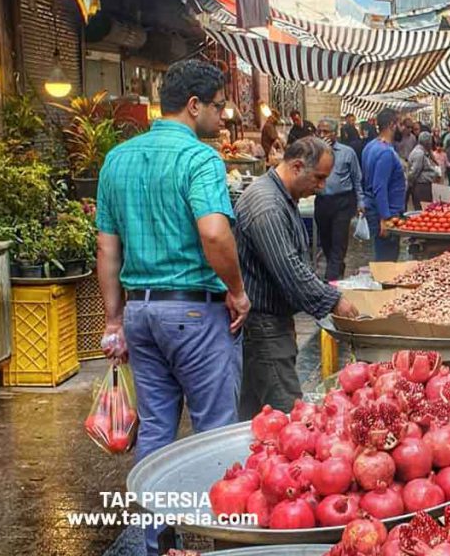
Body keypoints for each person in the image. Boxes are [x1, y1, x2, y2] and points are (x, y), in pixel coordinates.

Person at [95, 60, 249, 556]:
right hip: (193, 312)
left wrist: (115, 318)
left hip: (140, 314)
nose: (223, 116)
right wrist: (237, 289)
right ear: (194, 106)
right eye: (219, 105)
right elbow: (213, 231)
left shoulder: (117, 159)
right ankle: (223, 539)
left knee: (157, 429)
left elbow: (107, 249)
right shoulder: (199, 159)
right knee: (216, 430)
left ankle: (154, 541)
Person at [236, 137, 358, 418]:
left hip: (269, 322)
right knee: (290, 417)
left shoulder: (280, 196)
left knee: (255, 415)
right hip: (263, 327)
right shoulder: (267, 204)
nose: (322, 186)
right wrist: (333, 301)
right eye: (318, 178)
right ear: (297, 166)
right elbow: (290, 269)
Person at [315, 129, 365, 280]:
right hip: (322, 201)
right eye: (320, 131)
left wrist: (360, 201)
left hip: (342, 202)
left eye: (326, 131)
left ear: (335, 133)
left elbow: (357, 179)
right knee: (325, 241)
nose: (323, 134)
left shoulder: (347, 152)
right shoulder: (313, 152)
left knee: (339, 241)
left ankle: (331, 279)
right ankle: (336, 267)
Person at [362, 108, 407, 261]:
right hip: (386, 213)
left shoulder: (370, 147)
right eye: (400, 124)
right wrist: (385, 218)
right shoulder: (386, 152)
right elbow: (379, 187)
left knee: (382, 256)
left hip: (376, 209)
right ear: (391, 125)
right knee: (387, 261)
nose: (402, 128)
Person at [407, 131, 442, 210]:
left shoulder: (424, 152)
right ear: (427, 142)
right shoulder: (419, 153)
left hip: (424, 185)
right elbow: (414, 172)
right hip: (421, 186)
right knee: (422, 209)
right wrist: (411, 184)